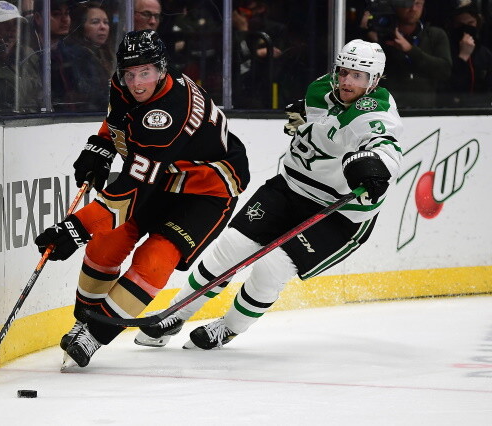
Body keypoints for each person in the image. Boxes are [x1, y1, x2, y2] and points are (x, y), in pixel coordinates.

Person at [134, 39, 403, 350]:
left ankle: (230, 327)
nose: (346, 81)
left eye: (357, 76)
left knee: (271, 266)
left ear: (375, 81)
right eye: (343, 71)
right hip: (291, 187)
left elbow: (387, 147)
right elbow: (322, 124)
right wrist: (304, 124)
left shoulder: (376, 112)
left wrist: (375, 166)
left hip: (338, 213)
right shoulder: (320, 89)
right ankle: (175, 314)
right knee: (231, 247)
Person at [34, 29, 250, 369]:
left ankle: (94, 335)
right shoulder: (124, 83)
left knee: (154, 259)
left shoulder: (168, 113)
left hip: (206, 190)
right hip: (160, 174)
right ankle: (84, 321)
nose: (136, 83)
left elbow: (126, 196)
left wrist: (74, 229)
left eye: (145, 73)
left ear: (162, 69)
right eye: (130, 73)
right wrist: (101, 146)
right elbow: (119, 119)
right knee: (106, 243)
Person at [366, 0, 451, 108]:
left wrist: (410, 50)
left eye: (418, 3)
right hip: (387, 110)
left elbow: (445, 71)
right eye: (408, 3)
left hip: (426, 113)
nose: (413, 8)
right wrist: (369, 36)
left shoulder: (435, 35)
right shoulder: (380, 33)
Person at [51, 1, 114, 111]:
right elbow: (88, 94)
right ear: (81, 27)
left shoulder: (106, 54)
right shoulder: (75, 55)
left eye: (106, 22)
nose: (103, 27)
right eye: (95, 22)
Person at [0, 1, 43, 114]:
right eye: (5, 23)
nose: (12, 28)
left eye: (16, 23)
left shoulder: (29, 56)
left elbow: (41, 95)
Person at [440, 1, 492, 107]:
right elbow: (447, 86)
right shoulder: (445, 50)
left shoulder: (484, 53)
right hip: (452, 109)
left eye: (470, 24)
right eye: (460, 25)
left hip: (481, 109)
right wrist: (463, 56)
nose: (466, 29)